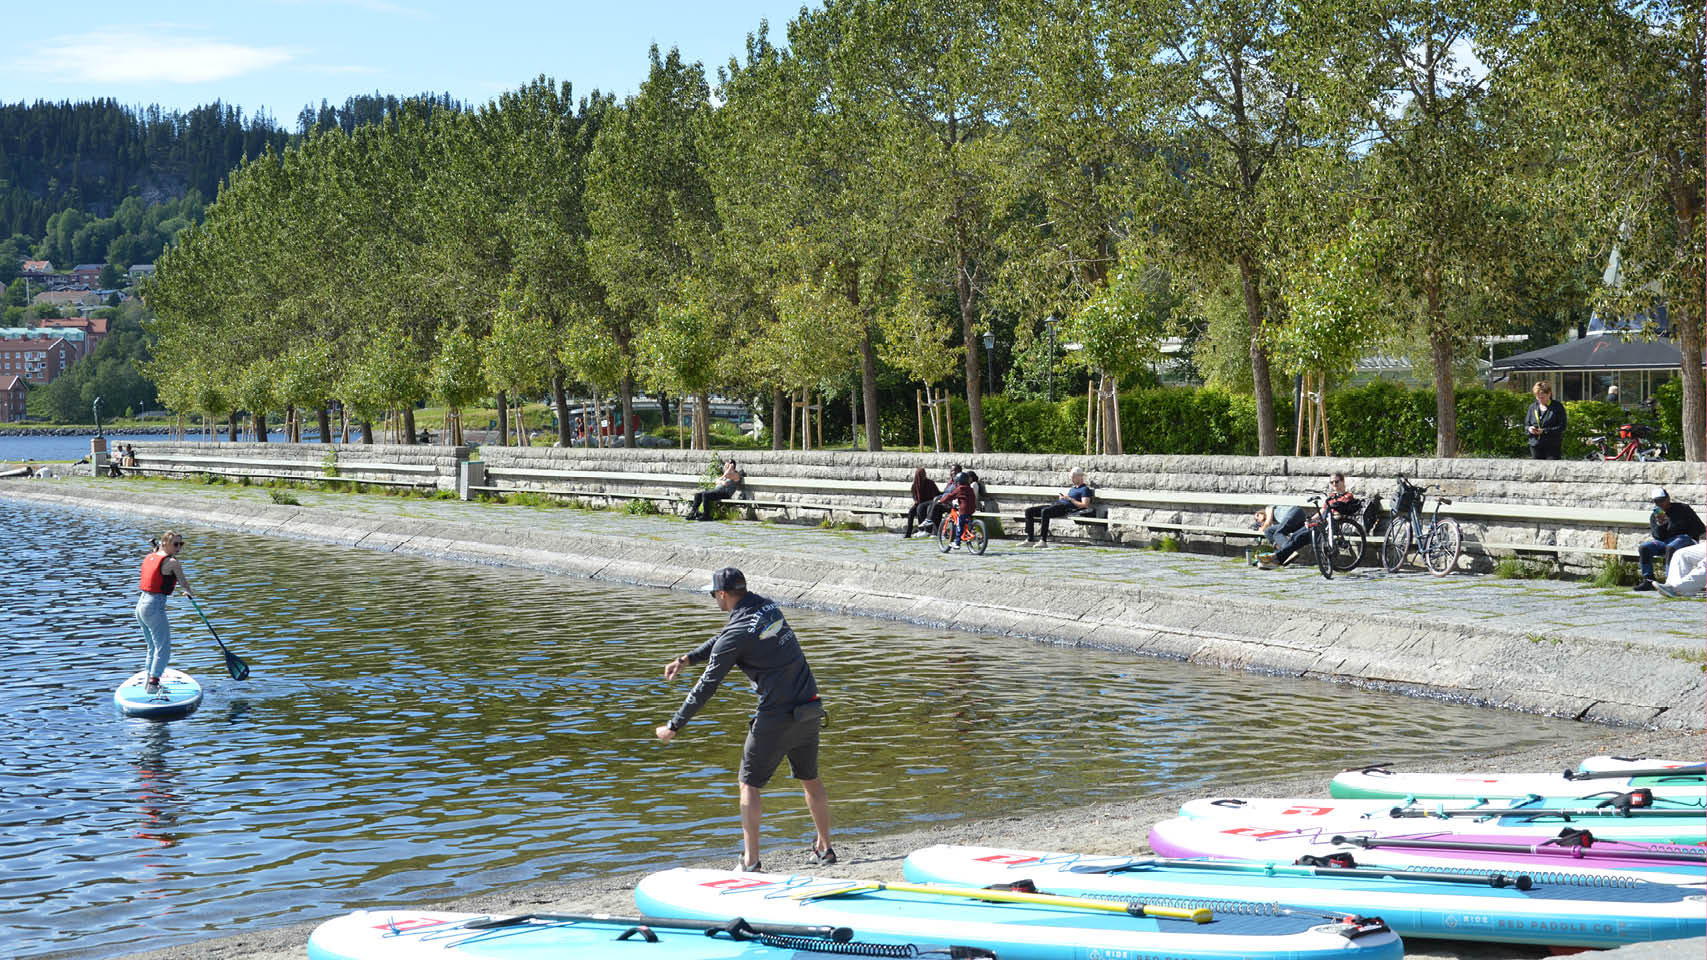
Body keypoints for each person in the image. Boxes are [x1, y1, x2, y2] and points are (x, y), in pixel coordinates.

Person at [655, 567, 832, 872]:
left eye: (714, 594)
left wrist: (674, 725)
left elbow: (706, 686)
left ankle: (750, 861)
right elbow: (725, 639)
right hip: (810, 707)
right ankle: (825, 849)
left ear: (723, 594)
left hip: (775, 716)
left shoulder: (736, 634)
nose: (714, 599)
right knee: (810, 778)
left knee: (748, 783)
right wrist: (687, 659)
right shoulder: (766, 606)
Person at [136, 532, 195, 694]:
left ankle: (148, 682)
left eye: (181, 544)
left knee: (152, 647)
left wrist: (159, 550)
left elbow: (157, 561)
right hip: (153, 607)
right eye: (175, 544)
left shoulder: (151, 556)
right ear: (164, 543)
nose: (178, 548)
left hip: (140, 606)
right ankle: (154, 684)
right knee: (163, 649)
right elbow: (184, 582)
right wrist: (189, 592)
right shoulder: (172, 562)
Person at [1634, 487, 1704, 592]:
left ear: (1668, 498)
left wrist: (1689, 536)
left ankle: (1669, 582)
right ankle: (1649, 580)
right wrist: (1661, 524)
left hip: (1685, 538)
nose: (1660, 503)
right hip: (1665, 541)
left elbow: (1700, 527)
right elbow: (1657, 536)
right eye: (1656, 501)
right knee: (1644, 548)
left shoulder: (1683, 508)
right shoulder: (1655, 515)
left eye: (1662, 500)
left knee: (1671, 547)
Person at [1020, 467, 1094, 548]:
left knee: (1045, 511)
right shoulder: (1073, 489)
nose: (1071, 479)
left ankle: (1043, 540)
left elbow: (1085, 505)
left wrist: (1070, 499)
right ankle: (1030, 539)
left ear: (1080, 477)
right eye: (1071, 477)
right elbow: (1068, 499)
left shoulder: (1085, 489)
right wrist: (1063, 498)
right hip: (1057, 504)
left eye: (1073, 477)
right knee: (1029, 511)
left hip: (1065, 508)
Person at [1525, 381, 1566, 460]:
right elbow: (1527, 425)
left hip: (1552, 446)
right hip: (1535, 445)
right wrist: (1530, 429)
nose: (1540, 400)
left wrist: (1544, 431)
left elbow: (1562, 427)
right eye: (1537, 397)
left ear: (1549, 394)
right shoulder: (1532, 407)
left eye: (1542, 397)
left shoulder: (1557, 407)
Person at [921, 463, 962, 541]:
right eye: (951, 470)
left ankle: (930, 523)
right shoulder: (951, 482)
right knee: (928, 506)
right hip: (945, 501)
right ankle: (934, 532)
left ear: (960, 471)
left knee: (936, 506)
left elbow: (955, 494)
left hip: (952, 504)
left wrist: (943, 499)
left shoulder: (959, 482)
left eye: (955, 470)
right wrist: (938, 498)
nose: (953, 472)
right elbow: (945, 493)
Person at [901, 466, 940, 538]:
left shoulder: (930, 483)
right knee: (911, 511)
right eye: (921, 474)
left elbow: (935, 495)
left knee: (921, 507)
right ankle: (908, 533)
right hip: (920, 503)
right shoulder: (914, 486)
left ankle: (926, 530)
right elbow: (915, 498)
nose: (923, 476)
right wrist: (916, 501)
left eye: (924, 474)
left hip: (931, 502)